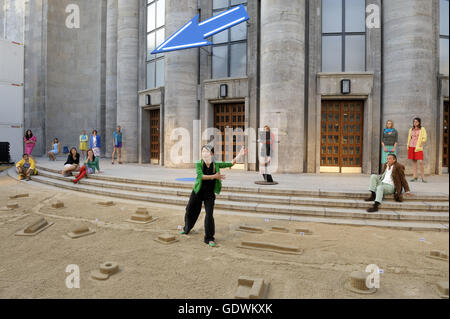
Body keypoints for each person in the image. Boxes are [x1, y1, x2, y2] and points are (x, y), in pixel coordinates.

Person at [180, 145, 247, 247]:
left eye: (206, 152)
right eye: (202, 151)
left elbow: (230, 163)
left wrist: (240, 154)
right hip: (197, 192)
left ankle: (209, 238)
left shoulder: (216, 164)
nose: (204, 153)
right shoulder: (199, 163)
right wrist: (214, 176)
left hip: (209, 194)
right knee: (189, 209)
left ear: (211, 154)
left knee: (209, 215)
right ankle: (187, 228)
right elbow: (200, 176)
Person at [407, 117, 427, 183]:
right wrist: (408, 145)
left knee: (420, 162)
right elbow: (409, 138)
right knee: (414, 162)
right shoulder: (411, 129)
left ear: (419, 122)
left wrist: (421, 144)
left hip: (418, 147)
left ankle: (423, 177)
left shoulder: (422, 129)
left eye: (416, 122)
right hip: (411, 146)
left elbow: (424, 137)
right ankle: (415, 176)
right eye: (414, 122)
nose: (415, 123)